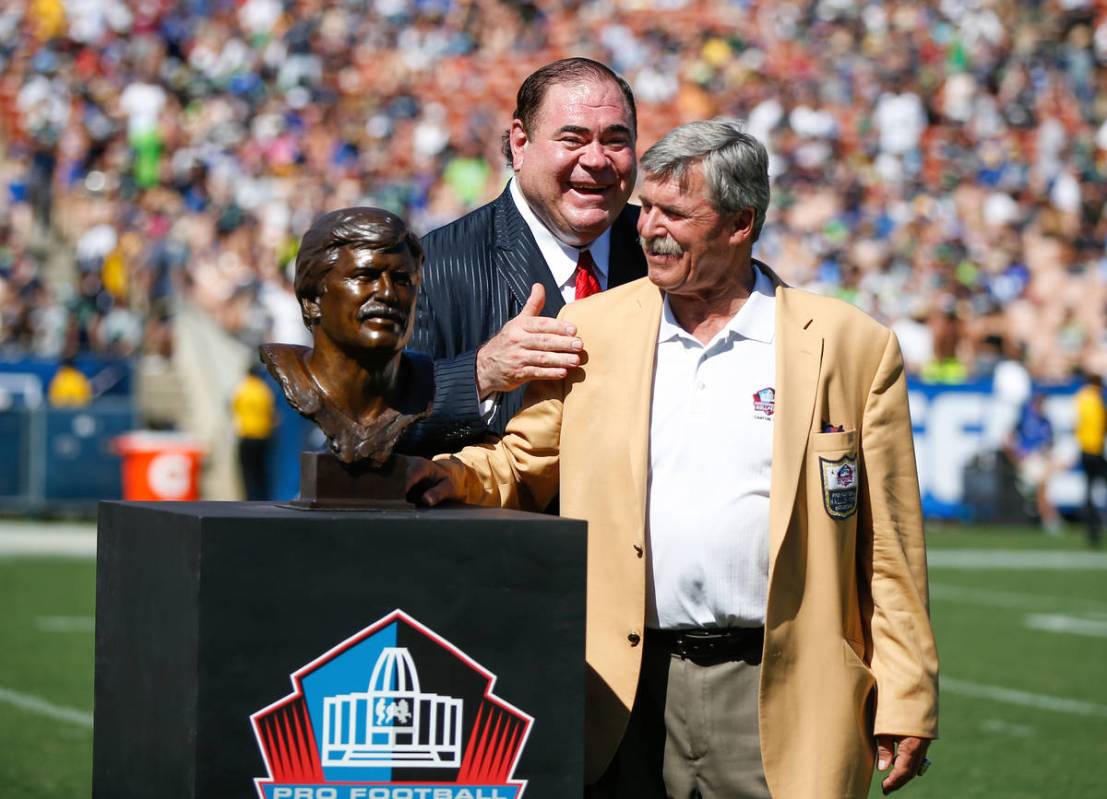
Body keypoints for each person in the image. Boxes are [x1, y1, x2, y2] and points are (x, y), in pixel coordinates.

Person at [406, 120, 938, 798]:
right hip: (624, 690)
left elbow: (889, 546)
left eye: (673, 213)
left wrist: (907, 694)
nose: (646, 228)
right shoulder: (592, 328)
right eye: (646, 207)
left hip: (781, 689)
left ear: (741, 222)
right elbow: (521, 460)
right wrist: (451, 475)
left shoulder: (848, 345)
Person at [399, 58, 647, 456]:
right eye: (573, 140)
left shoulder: (665, 252)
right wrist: (481, 373)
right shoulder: (435, 265)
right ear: (520, 143)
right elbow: (381, 428)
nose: (597, 159)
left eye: (616, 140)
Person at [260, 208, 433, 466]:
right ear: (311, 301)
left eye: (402, 280)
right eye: (365, 276)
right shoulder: (272, 390)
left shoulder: (427, 385)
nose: (387, 293)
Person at [1005, 393, 1061, 534]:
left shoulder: (1046, 422)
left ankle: (1047, 516)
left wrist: (1047, 454)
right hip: (1028, 459)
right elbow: (1009, 438)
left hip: (1041, 460)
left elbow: (1050, 444)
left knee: (1043, 487)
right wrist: (1017, 455)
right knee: (1041, 487)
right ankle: (1049, 518)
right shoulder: (1025, 419)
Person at [232, 363, 277, 501]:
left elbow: (234, 408)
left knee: (247, 474)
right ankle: (262, 499)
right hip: (263, 437)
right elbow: (272, 414)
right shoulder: (265, 391)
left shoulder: (242, 389)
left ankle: (249, 499)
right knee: (261, 472)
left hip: (247, 436)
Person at [1074, 373, 1105, 546]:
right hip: (1095, 449)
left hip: (1085, 449)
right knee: (1093, 489)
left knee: (1089, 491)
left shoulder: (1080, 398)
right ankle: (1093, 527)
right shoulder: (1095, 398)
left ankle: (1091, 528)